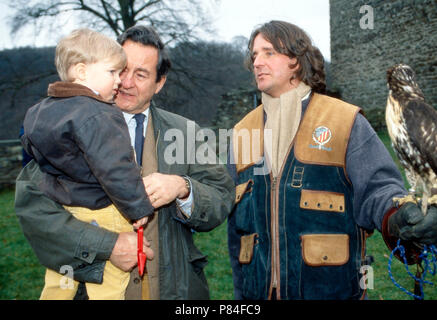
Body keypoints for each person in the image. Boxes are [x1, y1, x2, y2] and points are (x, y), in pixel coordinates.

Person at [15, 25, 235, 300]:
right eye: (120, 70)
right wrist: (107, 246)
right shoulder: (68, 126)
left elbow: (222, 196)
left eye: (141, 74)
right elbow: (32, 206)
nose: (126, 82)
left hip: (173, 291)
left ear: (160, 83)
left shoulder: (186, 133)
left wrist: (183, 188)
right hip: (91, 287)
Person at [227, 20, 437, 300]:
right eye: (254, 55)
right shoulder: (241, 132)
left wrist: (399, 218)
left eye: (268, 53)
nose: (257, 62)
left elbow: (380, 190)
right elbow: (235, 231)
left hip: (330, 291)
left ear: (295, 61)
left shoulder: (345, 120)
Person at [20, 28, 154, 300]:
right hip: (104, 209)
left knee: (61, 276)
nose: (119, 81)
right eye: (112, 72)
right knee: (110, 284)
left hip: (65, 208)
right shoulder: (101, 114)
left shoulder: (40, 110)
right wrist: (138, 207)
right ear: (81, 71)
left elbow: (32, 151)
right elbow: (115, 169)